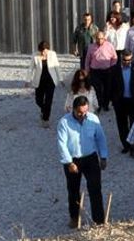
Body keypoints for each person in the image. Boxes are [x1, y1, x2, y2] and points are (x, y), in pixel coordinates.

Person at [57, 95, 109, 228]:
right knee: (73, 189)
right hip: (73, 160)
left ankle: (98, 220)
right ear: (73, 109)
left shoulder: (93, 119)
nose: (82, 115)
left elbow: (100, 138)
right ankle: (74, 217)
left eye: (85, 112)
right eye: (80, 112)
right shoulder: (64, 122)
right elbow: (61, 144)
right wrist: (69, 162)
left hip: (91, 158)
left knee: (95, 188)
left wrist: (103, 156)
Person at [112, 52, 134, 155]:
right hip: (120, 102)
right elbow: (110, 86)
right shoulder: (115, 70)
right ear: (121, 59)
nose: (127, 62)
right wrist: (113, 100)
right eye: (125, 60)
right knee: (122, 125)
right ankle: (126, 145)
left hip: (133, 101)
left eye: (129, 60)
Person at [27, 40, 63, 128]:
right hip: (39, 81)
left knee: (48, 101)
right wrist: (27, 80)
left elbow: (57, 67)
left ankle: (45, 119)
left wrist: (60, 79)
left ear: (48, 49)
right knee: (38, 100)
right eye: (41, 51)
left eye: (45, 51)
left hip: (51, 81)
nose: (43, 53)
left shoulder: (53, 54)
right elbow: (31, 68)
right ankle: (44, 110)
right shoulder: (35, 55)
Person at [85, 31, 117, 112]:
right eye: (98, 39)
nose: (100, 40)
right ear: (95, 39)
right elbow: (87, 59)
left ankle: (105, 105)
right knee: (96, 89)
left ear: (104, 38)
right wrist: (87, 70)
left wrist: (111, 66)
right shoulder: (91, 47)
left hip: (107, 70)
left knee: (107, 88)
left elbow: (114, 57)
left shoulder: (109, 46)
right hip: (95, 71)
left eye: (101, 39)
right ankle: (98, 105)